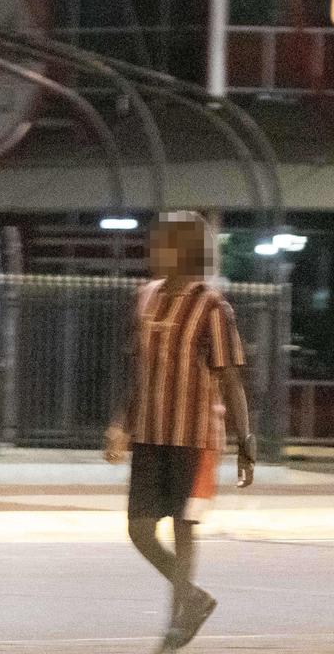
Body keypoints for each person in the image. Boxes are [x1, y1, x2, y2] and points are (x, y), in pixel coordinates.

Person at [105, 211, 255, 653]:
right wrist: (120, 423)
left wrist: (245, 443)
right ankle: (193, 599)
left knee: (183, 531)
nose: (154, 249)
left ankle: (173, 631)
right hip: (150, 433)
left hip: (194, 438)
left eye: (164, 242)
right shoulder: (146, 297)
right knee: (139, 529)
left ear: (187, 251)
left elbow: (230, 378)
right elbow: (140, 372)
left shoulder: (213, 307)